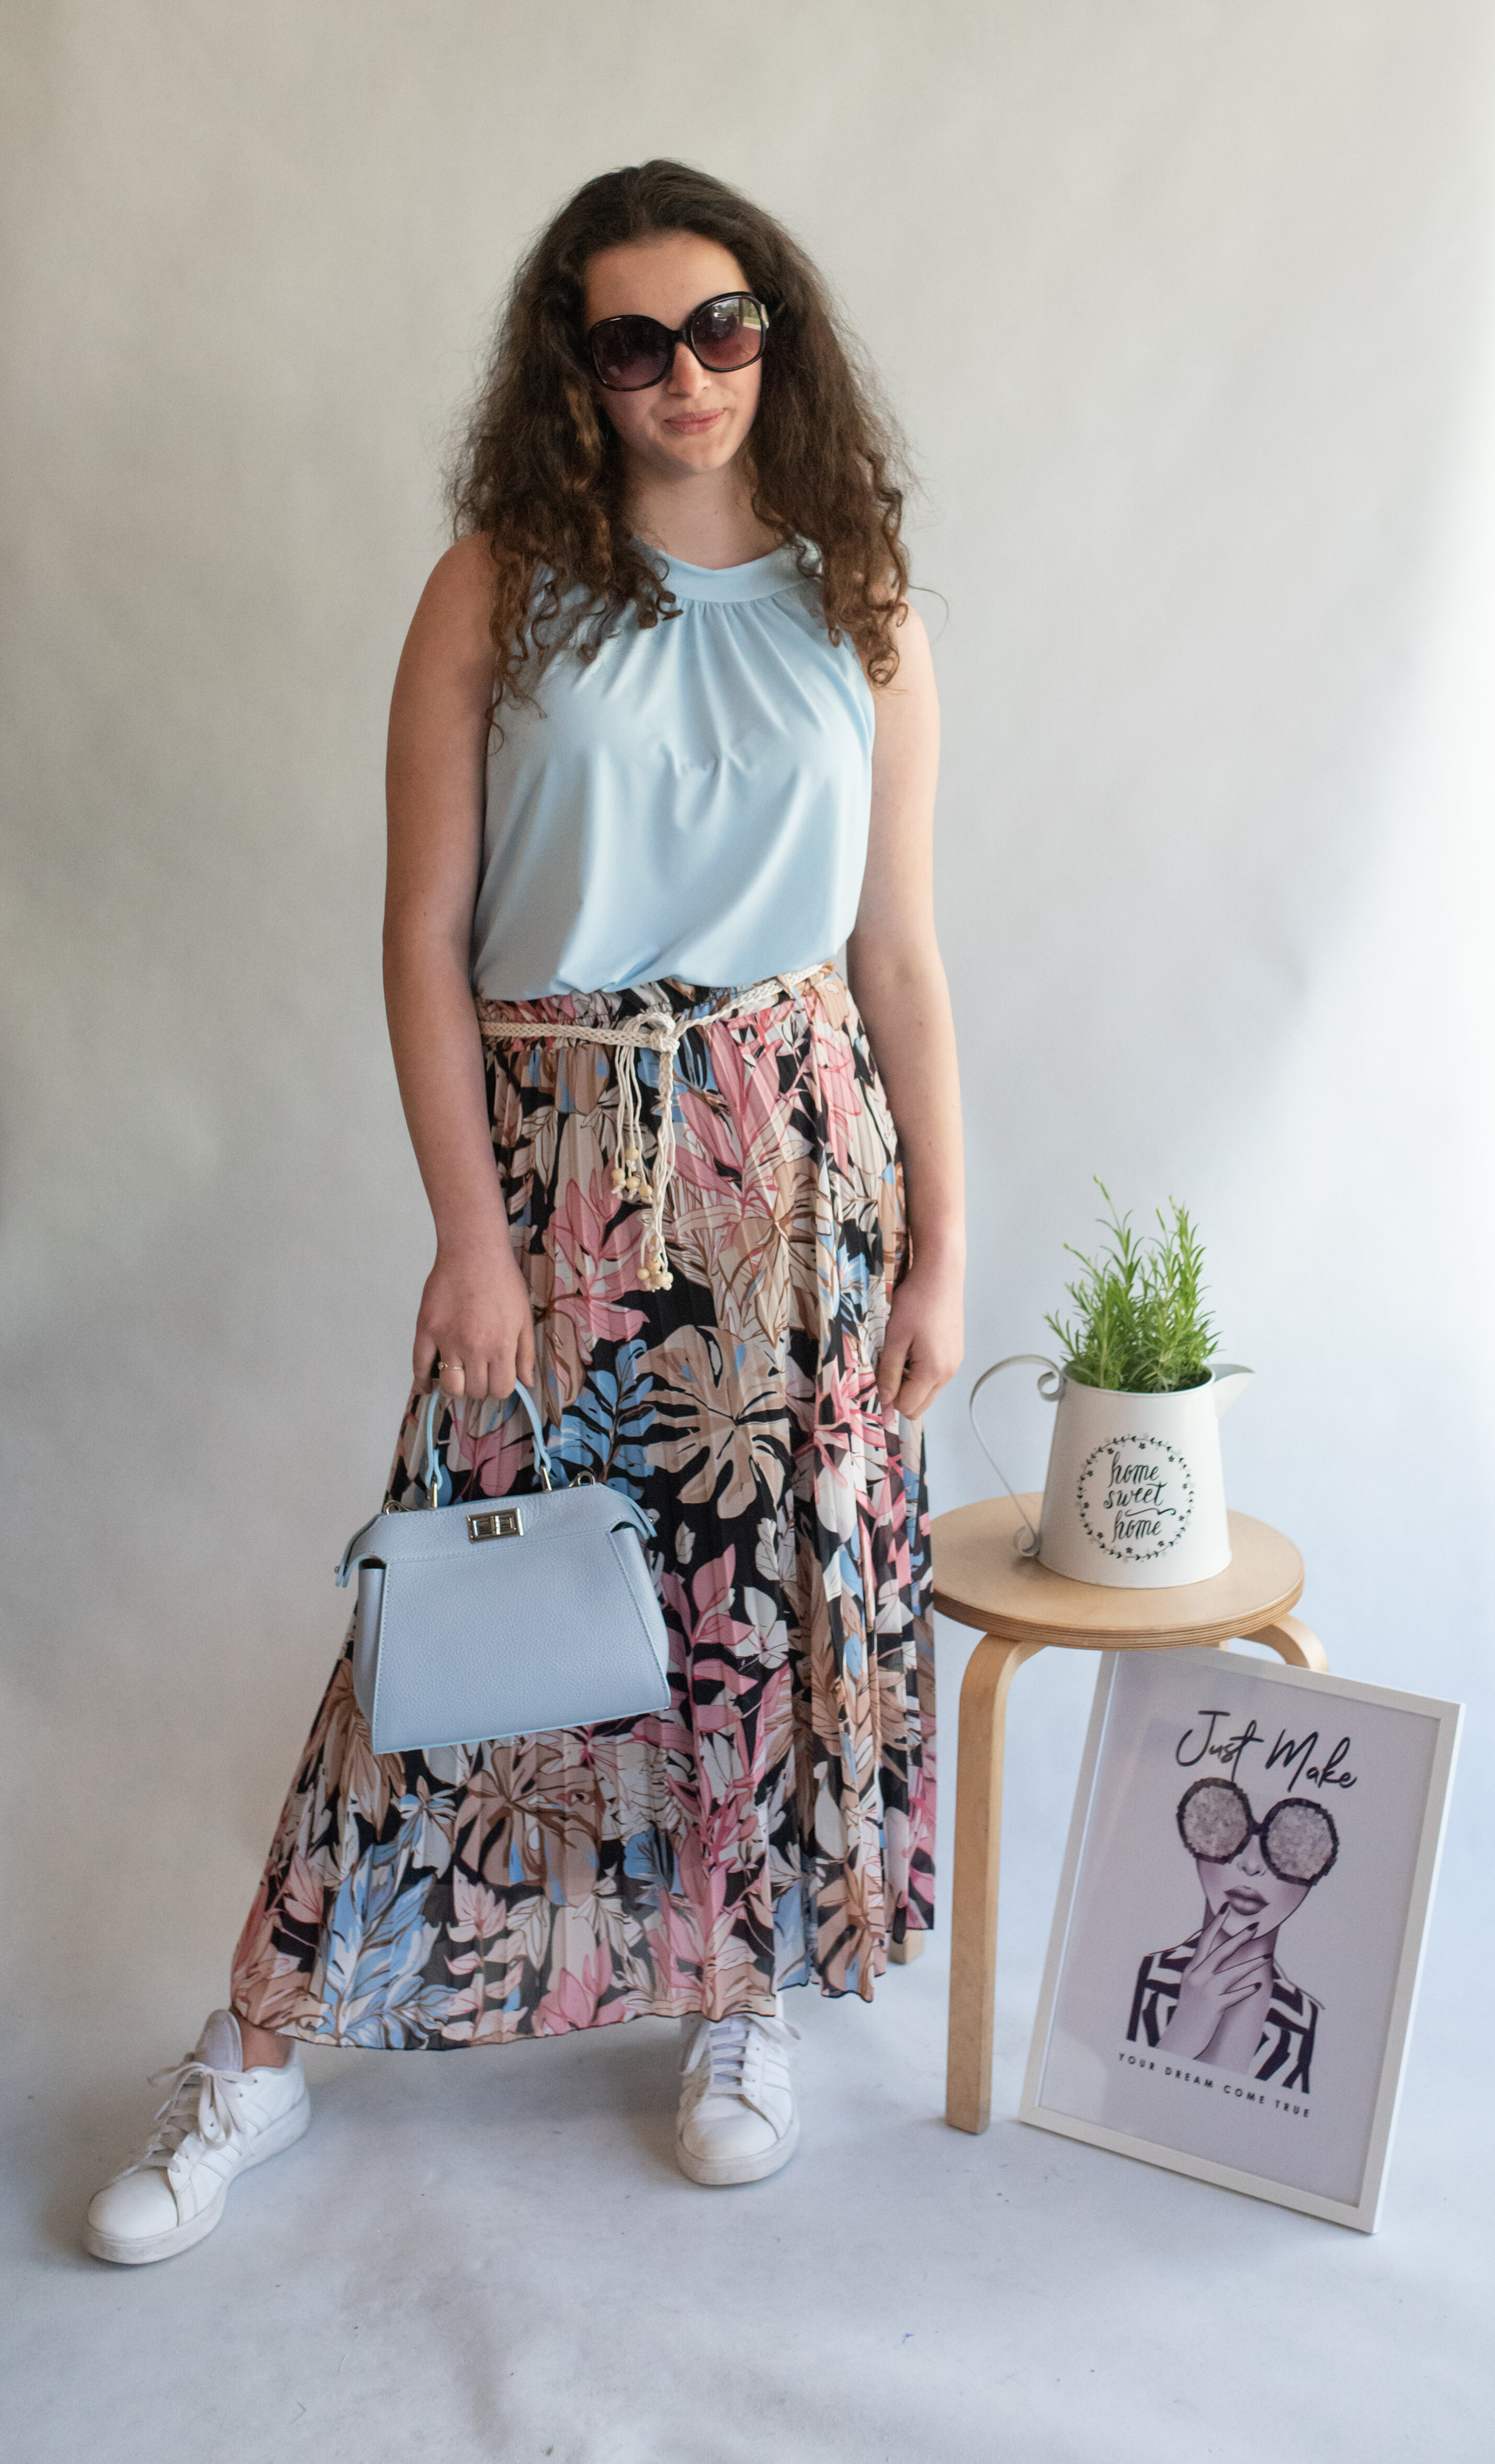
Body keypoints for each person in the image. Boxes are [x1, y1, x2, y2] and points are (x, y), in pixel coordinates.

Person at [85, 157, 963, 2265]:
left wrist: (945, 1243)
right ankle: (259, 2046)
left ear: (777, 335)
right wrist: (468, 1234)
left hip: (800, 1172)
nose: (687, 373)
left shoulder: (860, 595)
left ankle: (737, 1999)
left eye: (722, 325)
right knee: (461, 1587)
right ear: (576, 371)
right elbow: (421, 933)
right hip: (556, 1159)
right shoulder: (498, 585)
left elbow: (898, 952)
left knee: (757, 1596)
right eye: (634, 340)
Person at [1127, 1777, 1339, 2092]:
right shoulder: (1139, 1978)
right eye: (1222, 1826)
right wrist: (1181, 2037)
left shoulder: (1310, 2024)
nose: (1252, 1865)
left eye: (1290, 1844)